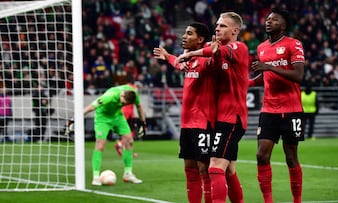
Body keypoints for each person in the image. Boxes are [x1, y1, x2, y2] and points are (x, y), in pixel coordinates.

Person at [177, 12, 249, 203]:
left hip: (233, 118)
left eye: (223, 26)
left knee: (215, 167)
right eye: (217, 25)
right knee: (229, 169)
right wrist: (184, 55)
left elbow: (213, 51)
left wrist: (190, 54)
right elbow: (202, 48)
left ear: (235, 30)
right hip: (217, 119)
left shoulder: (238, 47)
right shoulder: (213, 46)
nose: (217, 28)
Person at [153, 22, 215, 203]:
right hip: (187, 124)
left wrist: (204, 50)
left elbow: (214, 52)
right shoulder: (189, 60)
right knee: (190, 168)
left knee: (205, 169)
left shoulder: (207, 59)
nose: (183, 36)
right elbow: (178, 64)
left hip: (204, 122)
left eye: (189, 33)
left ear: (200, 39)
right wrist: (168, 57)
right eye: (185, 32)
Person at [248, 7, 305, 203]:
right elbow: (264, 77)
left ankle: (297, 200)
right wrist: (246, 82)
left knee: (291, 158)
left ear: (284, 25)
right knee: (261, 156)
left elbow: (298, 75)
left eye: (274, 19)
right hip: (269, 110)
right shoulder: (262, 47)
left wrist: (269, 67)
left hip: (292, 110)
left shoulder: (293, 44)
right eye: (267, 19)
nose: (268, 21)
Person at [83, 84, 146, 185]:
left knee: (129, 140)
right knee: (100, 145)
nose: (123, 104)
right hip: (102, 117)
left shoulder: (134, 94)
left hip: (117, 116)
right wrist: (75, 118)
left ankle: (128, 173)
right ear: (122, 95)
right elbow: (91, 107)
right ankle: (96, 177)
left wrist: (143, 123)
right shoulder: (109, 96)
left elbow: (139, 107)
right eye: (123, 102)